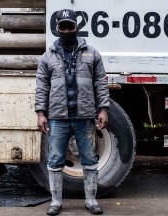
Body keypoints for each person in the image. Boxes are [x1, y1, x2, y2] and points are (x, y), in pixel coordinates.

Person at [35, 8, 110, 215]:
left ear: (77, 27)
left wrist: (103, 109)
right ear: (57, 28)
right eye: (63, 27)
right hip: (58, 118)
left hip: (85, 117)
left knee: (89, 159)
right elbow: (42, 87)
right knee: (55, 160)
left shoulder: (92, 53)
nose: (67, 30)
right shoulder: (47, 57)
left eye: (70, 26)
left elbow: (100, 84)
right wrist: (41, 113)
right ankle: (56, 202)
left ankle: (91, 200)